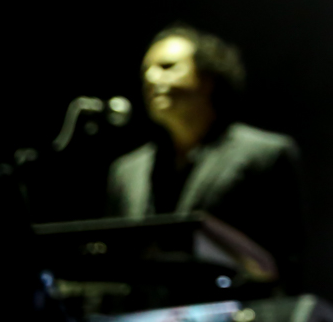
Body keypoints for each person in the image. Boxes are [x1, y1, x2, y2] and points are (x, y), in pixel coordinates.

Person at [107, 24, 305, 289]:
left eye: (167, 66)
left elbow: (285, 264)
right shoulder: (127, 170)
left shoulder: (264, 154)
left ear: (208, 79)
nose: (151, 78)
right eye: (146, 71)